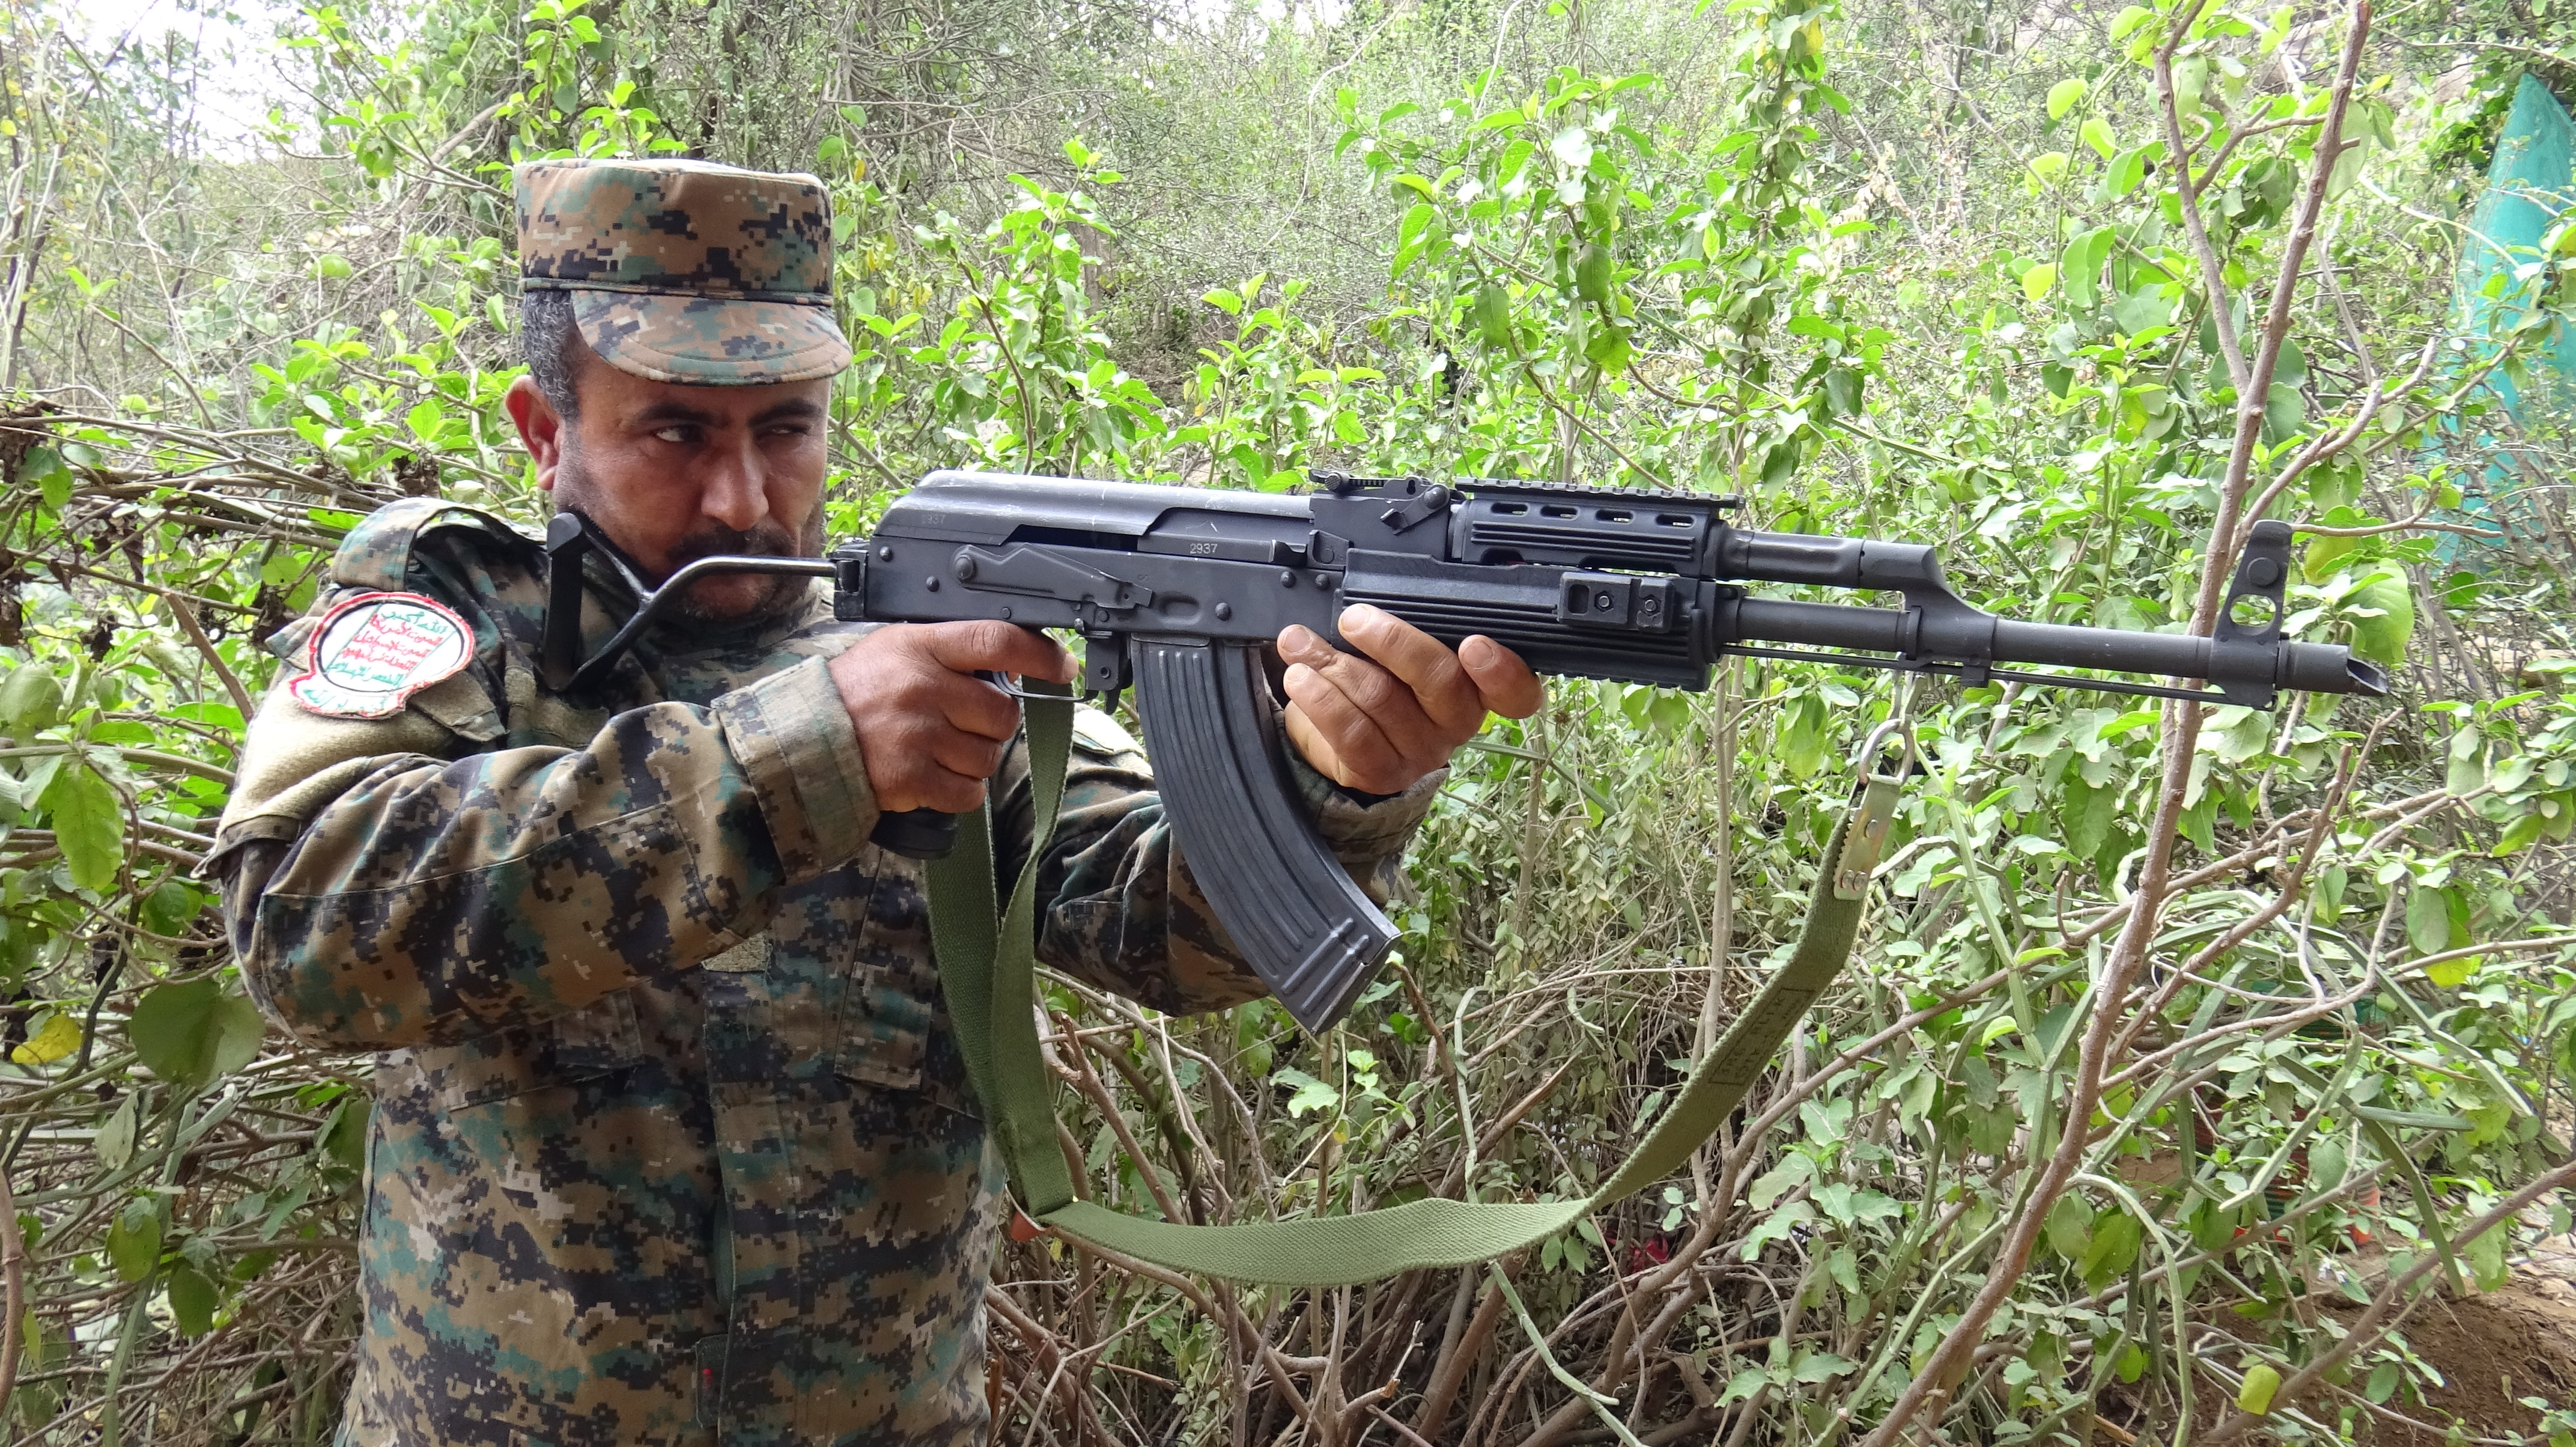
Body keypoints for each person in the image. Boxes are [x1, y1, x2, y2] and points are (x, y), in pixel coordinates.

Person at [208, 157, 1543, 1446]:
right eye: (674, 430)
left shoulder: (923, 643)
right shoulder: (459, 608)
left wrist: (1333, 779)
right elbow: (306, 924)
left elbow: (1175, 934)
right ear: (544, 430)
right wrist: (800, 759)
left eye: (785, 428)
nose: (743, 493)